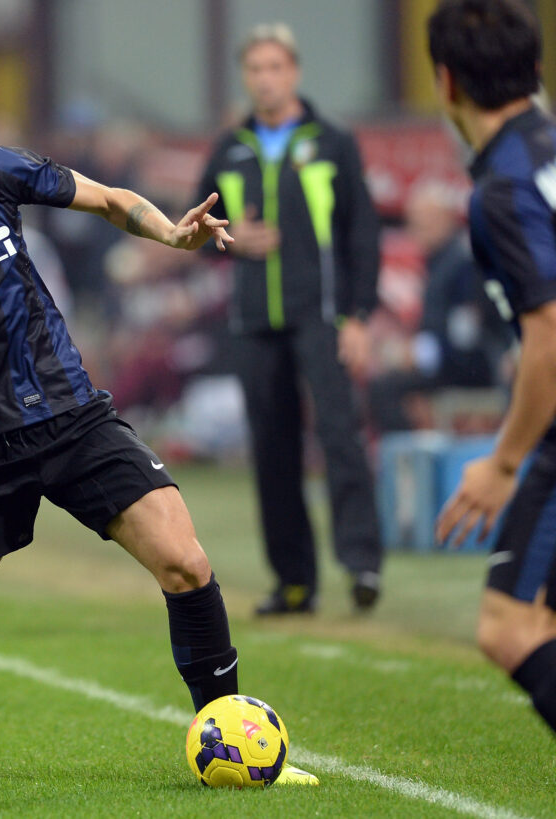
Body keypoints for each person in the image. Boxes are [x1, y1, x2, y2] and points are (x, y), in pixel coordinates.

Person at [0, 67, 317, 785]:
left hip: (69, 414)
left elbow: (107, 200)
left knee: (186, 562)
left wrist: (170, 232)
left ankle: (231, 739)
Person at [195, 23, 383, 615]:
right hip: (254, 321)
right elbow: (194, 230)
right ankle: (294, 582)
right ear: (245, 76)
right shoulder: (229, 147)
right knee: (273, 452)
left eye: (275, 67)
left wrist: (358, 316)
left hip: (321, 316)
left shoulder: (332, 141)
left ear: (294, 72)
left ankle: (362, 563)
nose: (265, 79)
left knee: (339, 436)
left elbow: (363, 233)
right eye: (255, 69)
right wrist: (230, 240)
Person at [431, 0, 556, 738]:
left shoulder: (502, 190)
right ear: (536, 70)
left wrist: (503, 462)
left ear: (446, 84)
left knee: (509, 628)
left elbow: (548, 336)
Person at [368, 180, 508, 433]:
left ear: (447, 218)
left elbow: (467, 336)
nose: (417, 228)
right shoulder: (438, 262)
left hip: (475, 364)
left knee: (384, 388)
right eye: (413, 220)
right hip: (451, 358)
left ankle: (412, 466)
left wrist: (418, 353)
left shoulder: (464, 262)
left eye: (425, 219)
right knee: (382, 377)